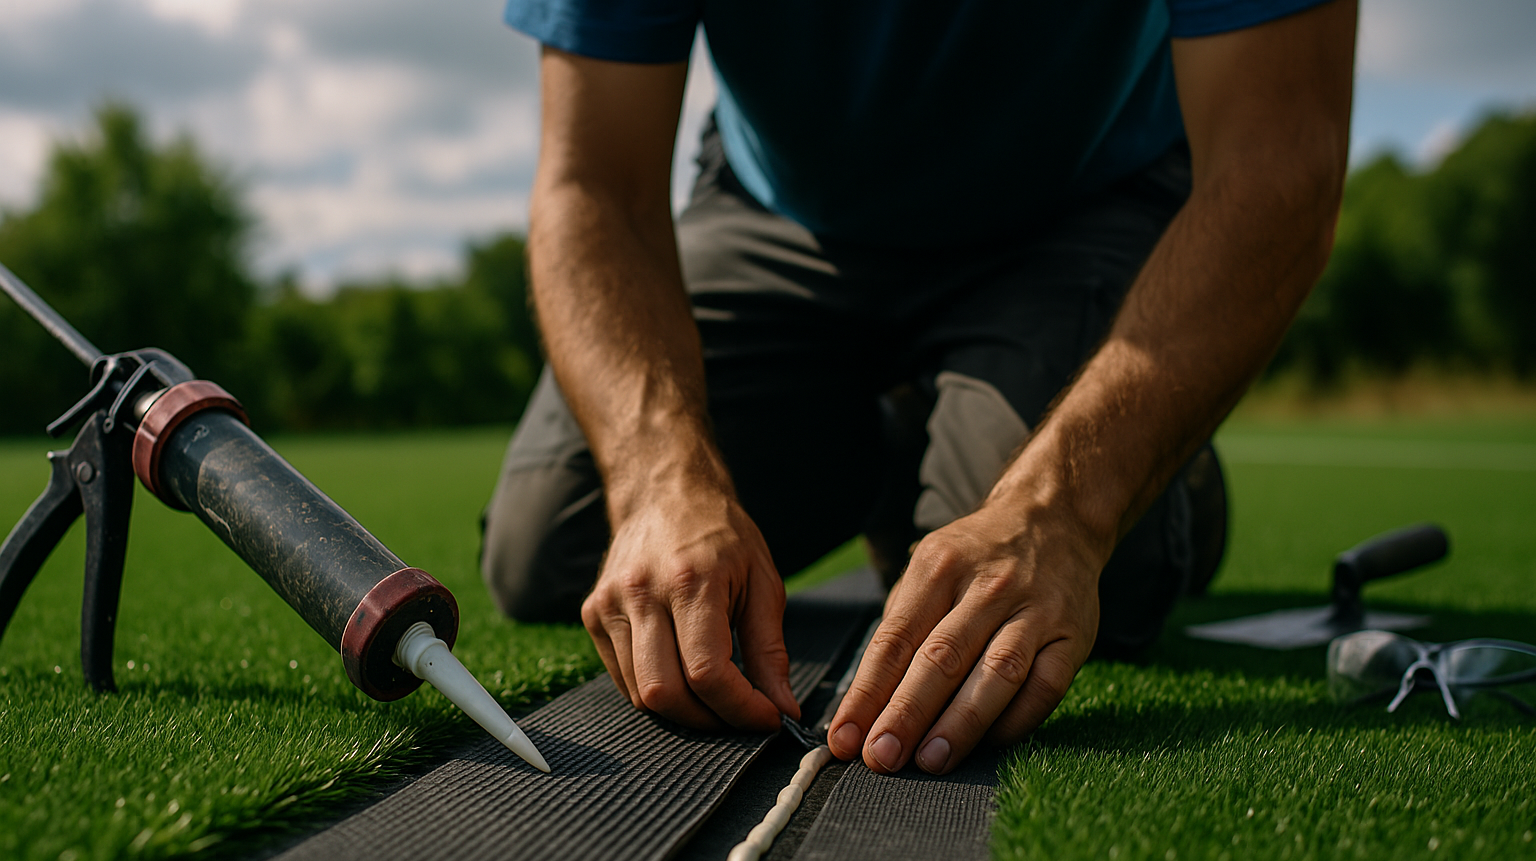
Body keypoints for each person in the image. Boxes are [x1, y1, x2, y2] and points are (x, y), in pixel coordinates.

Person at [482, 0, 1357, 775]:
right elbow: (591, 183)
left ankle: (1173, 479)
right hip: (778, 210)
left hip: (1081, 204)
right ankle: (898, 435)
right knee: (556, 549)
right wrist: (658, 483)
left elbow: (1278, 160)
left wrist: (1068, 513)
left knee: (1049, 608)